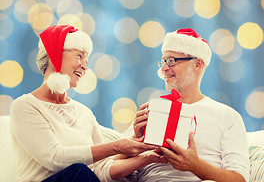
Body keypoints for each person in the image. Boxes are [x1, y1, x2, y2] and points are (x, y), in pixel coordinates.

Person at [10, 25, 167, 182]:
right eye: (79, 56)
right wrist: (117, 146)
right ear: (55, 54)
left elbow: (100, 170)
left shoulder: (84, 112)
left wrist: (148, 157)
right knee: (79, 171)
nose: (85, 67)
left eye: (86, 60)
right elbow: (55, 159)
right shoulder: (25, 106)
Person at [131, 28, 250, 182]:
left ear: (198, 65)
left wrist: (195, 165)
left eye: (172, 61)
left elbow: (240, 179)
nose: (164, 68)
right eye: (163, 61)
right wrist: (135, 139)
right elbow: (111, 164)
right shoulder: (150, 109)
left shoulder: (227, 116)